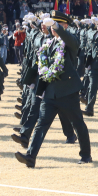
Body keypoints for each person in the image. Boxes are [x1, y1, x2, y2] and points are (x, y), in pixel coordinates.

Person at [15, 11, 92, 168]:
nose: (52, 28)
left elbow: (72, 42)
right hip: (51, 93)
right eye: (51, 26)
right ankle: (31, 156)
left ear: (64, 25)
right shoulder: (49, 43)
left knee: (78, 124)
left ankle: (86, 154)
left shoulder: (70, 41)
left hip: (68, 91)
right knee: (41, 124)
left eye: (55, 25)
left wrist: (58, 27)